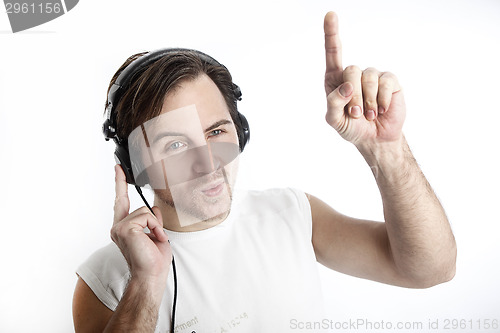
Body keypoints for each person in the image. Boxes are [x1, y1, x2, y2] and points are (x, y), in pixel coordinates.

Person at [72, 11, 457, 332]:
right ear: (134, 166)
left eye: (216, 132)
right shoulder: (106, 279)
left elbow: (431, 270)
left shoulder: (291, 214)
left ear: (240, 130)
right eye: (175, 145)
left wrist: (386, 150)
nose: (208, 162)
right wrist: (146, 282)